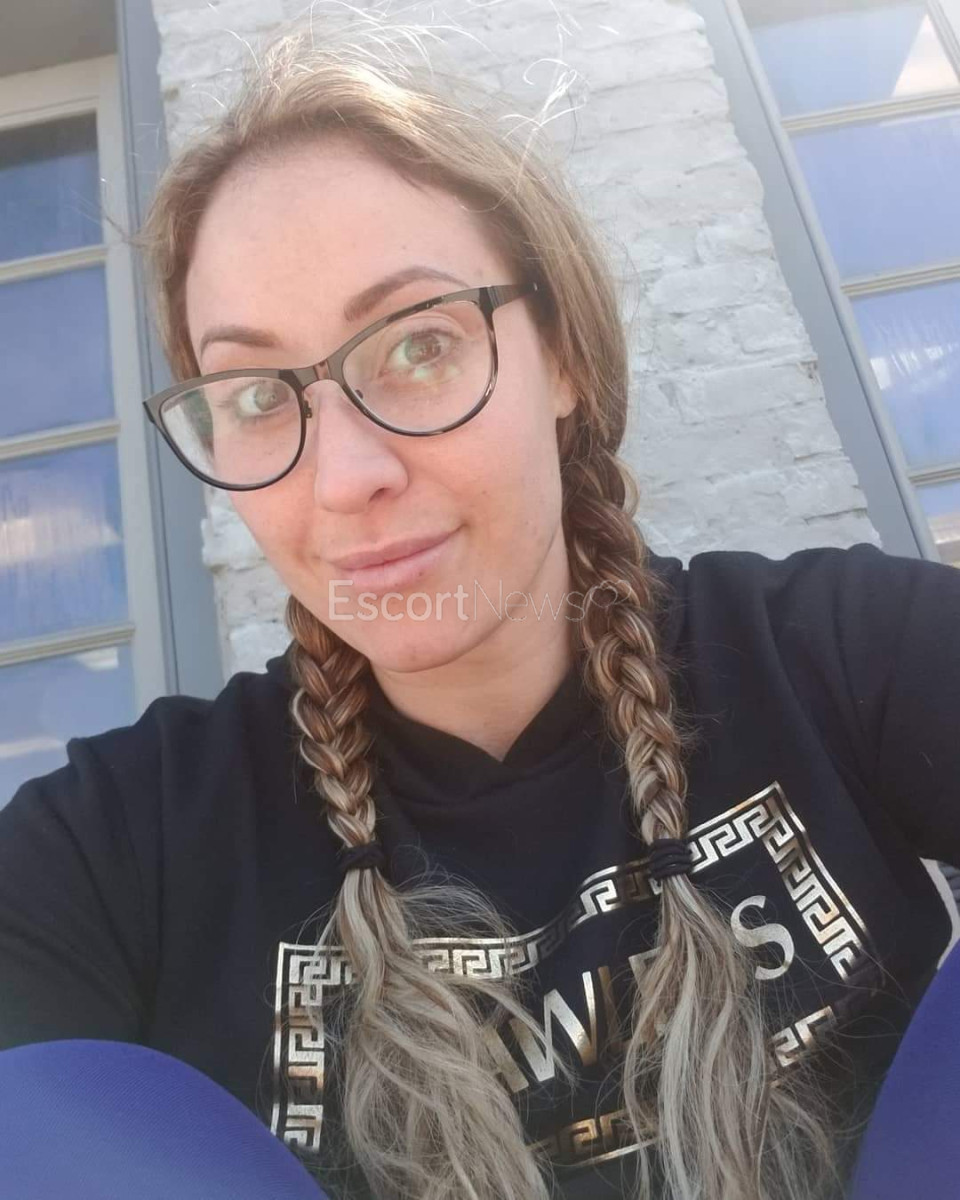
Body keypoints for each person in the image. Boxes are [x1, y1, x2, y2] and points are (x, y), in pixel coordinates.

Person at [1, 19, 959, 1200]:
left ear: (563, 356)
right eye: (253, 395)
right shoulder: (124, 843)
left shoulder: (830, 654)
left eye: (419, 345)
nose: (345, 478)